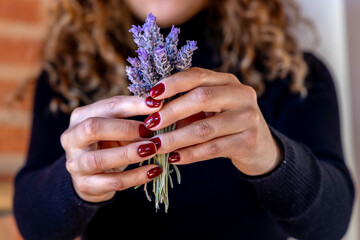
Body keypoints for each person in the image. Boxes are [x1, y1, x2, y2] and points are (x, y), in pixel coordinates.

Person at [13, 0, 355, 239]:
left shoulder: (294, 73)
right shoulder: (67, 77)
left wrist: (271, 157)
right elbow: (33, 223)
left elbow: (331, 222)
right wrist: (75, 183)